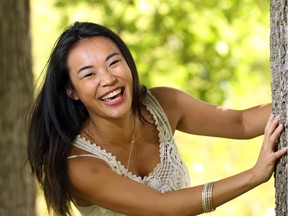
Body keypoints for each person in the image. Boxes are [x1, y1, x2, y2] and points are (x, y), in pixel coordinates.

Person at [27, 21, 287, 216]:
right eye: (89, 74)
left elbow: (240, 122)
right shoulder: (80, 166)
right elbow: (162, 208)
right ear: (71, 91)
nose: (107, 79)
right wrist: (253, 175)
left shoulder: (165, 105)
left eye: (113, 63)